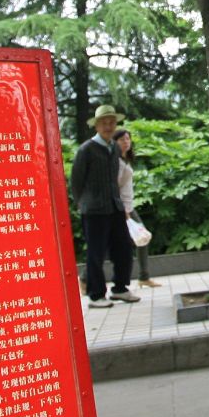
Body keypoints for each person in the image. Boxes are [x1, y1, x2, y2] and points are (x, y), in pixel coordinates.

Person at [70, 104, 140, 309]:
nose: (108, 126)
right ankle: (96, 295)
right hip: (94, 210)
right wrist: (82, 203)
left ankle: (120, 288)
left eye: (112, 122)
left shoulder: (114, 148)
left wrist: (122, 205)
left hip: (115, 207)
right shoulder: (86, 150)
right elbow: (76, 181)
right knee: (96, 253)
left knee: (123, 248)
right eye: (104, 123)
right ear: (97, 126)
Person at [113, 127, 157, 286]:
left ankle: (144, 277)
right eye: (121, 139)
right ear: (114, 142)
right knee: (109, 244)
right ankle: (85, 278)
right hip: (121, 209)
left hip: (129, 207)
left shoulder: (125, 159)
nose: (126, 142)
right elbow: (114, 187)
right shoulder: (116, 162)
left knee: (142, 238)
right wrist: (123, 210)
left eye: (127, 139)